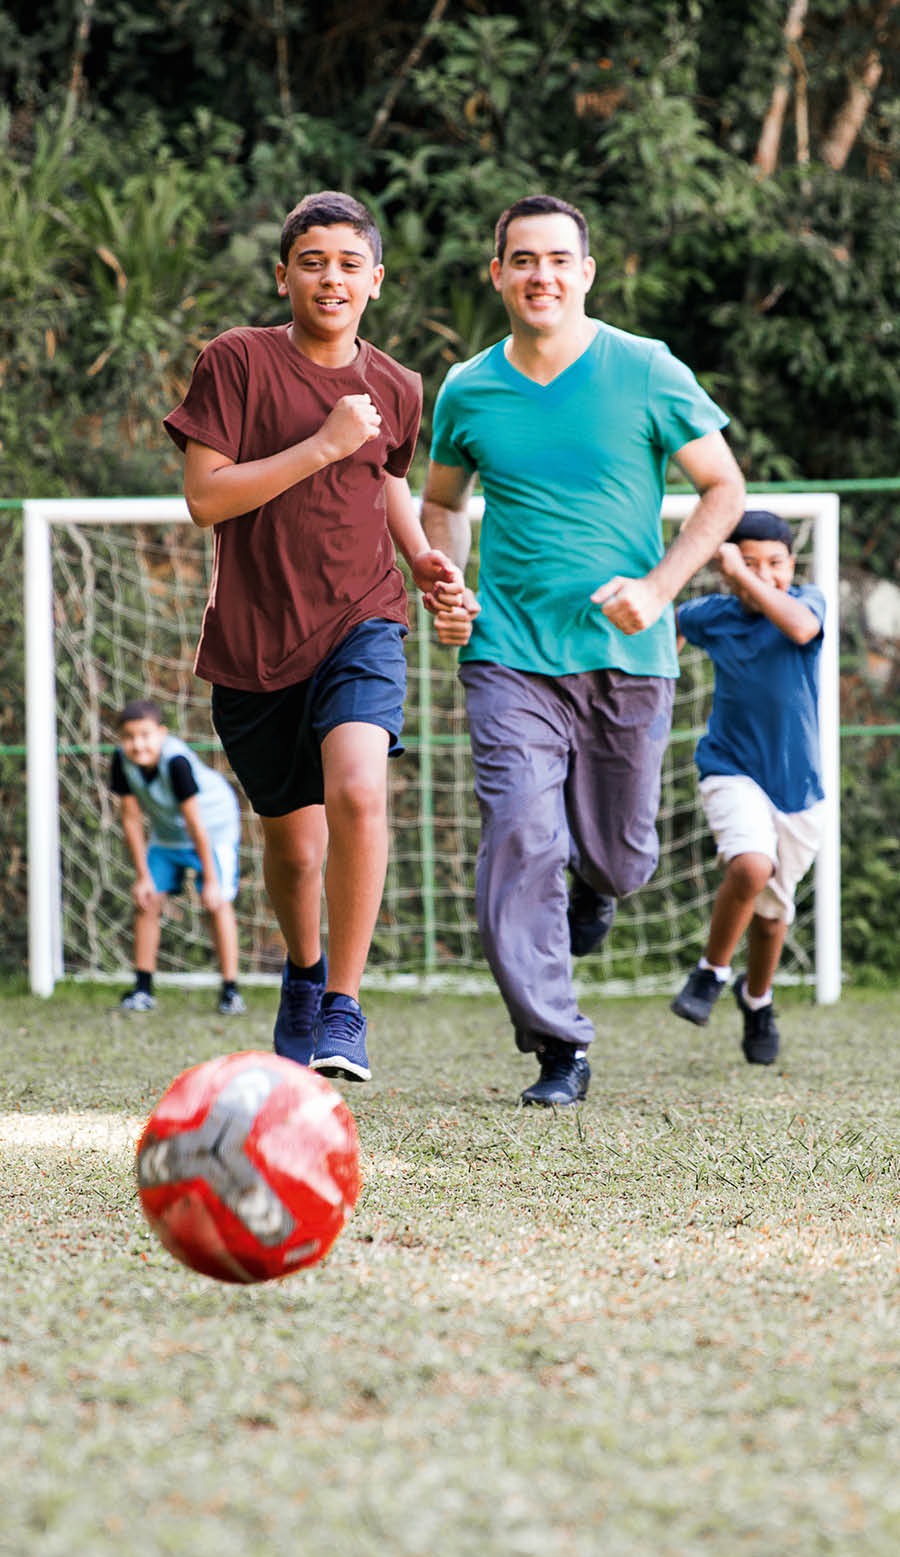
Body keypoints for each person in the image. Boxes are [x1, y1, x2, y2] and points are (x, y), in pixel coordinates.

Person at [421, 193, 746, 1107]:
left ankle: (598, 888)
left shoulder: (645, 369)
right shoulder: (467, 387)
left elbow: (723, 488)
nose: (541, 276)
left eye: (558, 259)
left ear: (586, 272)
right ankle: (557, 1048)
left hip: (627, 658)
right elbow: (441, 503)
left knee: (621, 856)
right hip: (509, 653)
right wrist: (449, 581)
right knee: (521, 836)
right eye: (522, 260)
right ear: (498, 274)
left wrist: (657, 589)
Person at [163, 191, 462, 1082]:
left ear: (376, 279)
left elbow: (390, 482)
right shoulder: (236, 362)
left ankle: (344, 1005)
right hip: (255, 644)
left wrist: (421, 560)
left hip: (362, 620)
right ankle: (301, 975)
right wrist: (324, 445)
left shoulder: (401, 386)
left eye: (347, 264)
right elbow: (206, 498)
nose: (330, 277)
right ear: (283, 273)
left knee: (361, 792)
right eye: (311, 261)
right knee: (294, 847)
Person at [670, 511, 826, 1064]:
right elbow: (661, 632)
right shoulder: (715, 615)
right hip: (730, 767)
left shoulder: (806, 604)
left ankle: (757, 999)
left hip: (799, 788)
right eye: (749, 562)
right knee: (751, 865)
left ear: (792, 565)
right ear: (724, 570)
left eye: (775, 563)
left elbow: (802, 630)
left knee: (771, 917)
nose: (766, 573)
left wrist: (747, 576)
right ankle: (711, 971)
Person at [111, 699, 245, 1015]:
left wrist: (210, 880)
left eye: (145, 735)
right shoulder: (121, 761)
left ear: (161, 734)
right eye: (129, 737)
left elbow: (196, 824)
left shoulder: (177, 763)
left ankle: (231, 991)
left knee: (216, 903)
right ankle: (143, 990)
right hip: (169, 834)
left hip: (212, 829)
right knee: (146, 899)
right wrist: (143, 876)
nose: (137, 744)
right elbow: (130, 819)